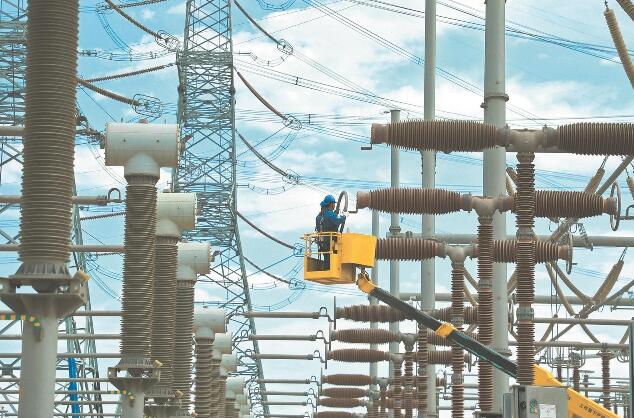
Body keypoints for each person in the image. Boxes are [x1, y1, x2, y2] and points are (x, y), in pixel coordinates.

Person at [318, 194, 346, 270]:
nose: (334, 205)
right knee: (330, 256)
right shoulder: (330, 214)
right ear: (331, 204)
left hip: (324, 240)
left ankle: (326, 269)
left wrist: (336, 214)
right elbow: (337, 221)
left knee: (327, 257)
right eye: (334, 204)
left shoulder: (323, 215)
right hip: (330, 240)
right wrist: (343, 217)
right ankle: (329, 270)